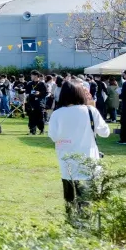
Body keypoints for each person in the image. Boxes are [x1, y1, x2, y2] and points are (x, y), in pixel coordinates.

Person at [47, 80, 111, 217]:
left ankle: (71, 222)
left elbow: (53, 136)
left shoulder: (57, 114)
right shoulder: (90, 111)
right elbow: (105, 132)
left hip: (66, 162)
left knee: (70, 199)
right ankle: (84, 223)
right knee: (87, 201)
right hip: (88, 161)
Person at [26, 70, 49, 136]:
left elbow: (46, 93)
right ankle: (32, 130)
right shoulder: (30, 84)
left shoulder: (42, 84)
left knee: (40, 117)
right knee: (31, 117)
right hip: (31, 103)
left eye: (32, 75)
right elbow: (27, 91)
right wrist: (32, 93)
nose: (31, 76)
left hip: (39, 103)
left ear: (36, 76)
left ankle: (41, 130)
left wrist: (39, 93)